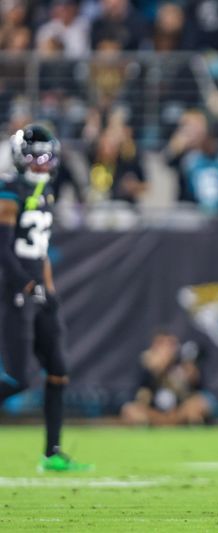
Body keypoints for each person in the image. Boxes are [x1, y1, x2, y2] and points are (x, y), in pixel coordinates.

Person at [0, 124, 90, 471]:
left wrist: (48, 290)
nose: (42, 161)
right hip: (16, 291)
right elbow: (3, 249)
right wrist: (26, 285)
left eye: (47, 155)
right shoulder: (9, 189)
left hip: (39, 289)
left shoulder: (46, 190)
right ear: (21, 158)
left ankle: (52, 453)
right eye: (36, 155)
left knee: (58, 370)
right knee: (18, 379)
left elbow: (41, 250)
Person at [119, 331, 215, 426]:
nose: (168, 349)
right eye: (163, 345)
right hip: (154, 412)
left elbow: (193, 390)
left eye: (171, 344)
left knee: (197, 407)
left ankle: (167, 423)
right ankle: (164, 422)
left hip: (178, 412)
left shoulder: (182, 365)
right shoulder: (146, 365)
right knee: (130, 410)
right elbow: (141, 397)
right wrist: (154, 372)